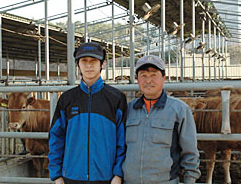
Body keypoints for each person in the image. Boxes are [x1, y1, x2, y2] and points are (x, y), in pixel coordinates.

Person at [48, 42, 127, 184]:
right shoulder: (67, 99)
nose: (89, 65)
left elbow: (123, 139)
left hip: (106, 178)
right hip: (71, 177)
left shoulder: (116, 98)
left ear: (102, 64)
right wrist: (56, 174)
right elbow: (56, 137)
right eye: (84, 61)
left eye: (93, 61)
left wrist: (118, 173)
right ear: (78, 64)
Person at [123, 55, 200, 184]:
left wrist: (190, 180)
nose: (148, 80)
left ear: (163, 78)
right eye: (143, 75)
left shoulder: (179, 110)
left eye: (153, 75)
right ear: (137, 80)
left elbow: (190, 151)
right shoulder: (128, 109)